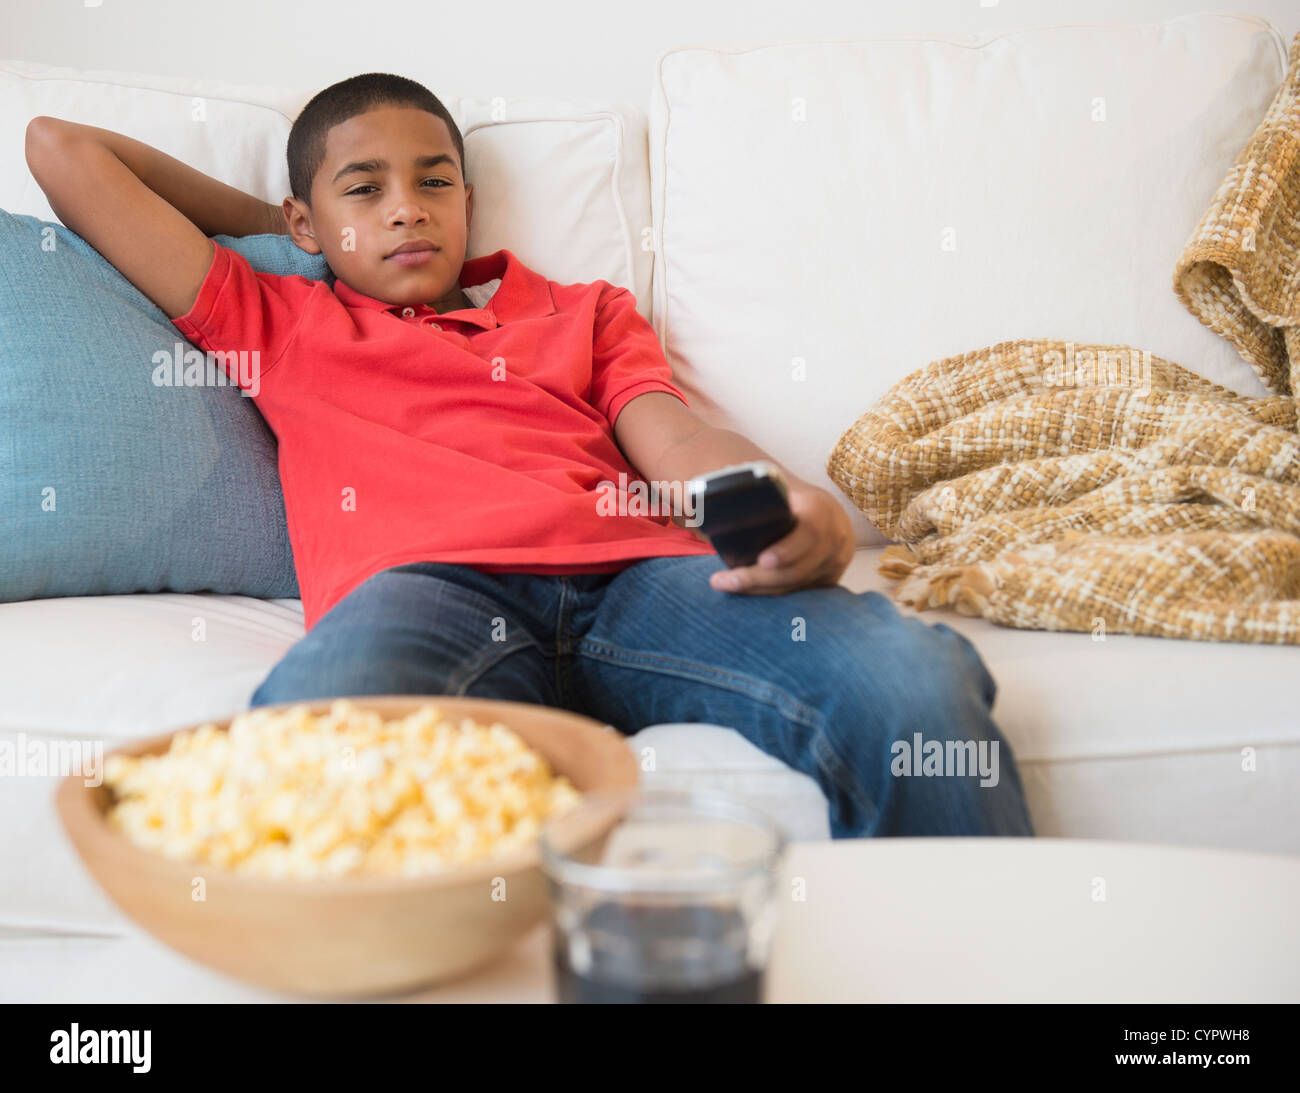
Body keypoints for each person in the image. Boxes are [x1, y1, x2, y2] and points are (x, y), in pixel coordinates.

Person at [24, 73, 1033, 839]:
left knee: (907, 683)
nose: (407, 207)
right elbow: (60, 149)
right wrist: (303, 242)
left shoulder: (580, 308)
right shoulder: (283, 315)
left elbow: (670, 435)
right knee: (315, 749)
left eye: (432, 182)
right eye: (363, 189)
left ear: (466, 198)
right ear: (306, 218)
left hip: (641, 579)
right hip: (428, 594)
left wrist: (766, 494)